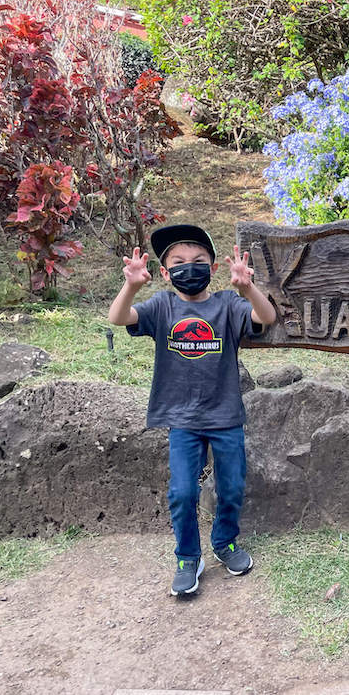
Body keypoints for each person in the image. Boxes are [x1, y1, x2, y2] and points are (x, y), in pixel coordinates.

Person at [108, 224, 277, 596]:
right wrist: (132, 286)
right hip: (181, 420)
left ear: (213, 268)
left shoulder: (228, 305)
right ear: (166, 273)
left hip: (225, 416)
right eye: (179, 262)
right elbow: (119, 318)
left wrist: (247, 288)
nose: (189, 267)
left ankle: (225, 542)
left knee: (231, 487)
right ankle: (188, 557)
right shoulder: (162, 306)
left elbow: (266, 318)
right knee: (183, 492)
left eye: (199, 261)